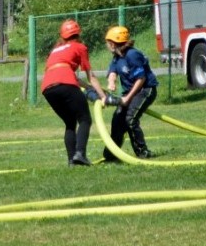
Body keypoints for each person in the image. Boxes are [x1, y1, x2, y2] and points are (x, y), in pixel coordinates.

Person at [40, 20, 108, 166]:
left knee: (70, 122)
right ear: (78, 33)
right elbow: (91, 75)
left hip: (47, 87)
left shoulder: (56, 50)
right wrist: (103, 96)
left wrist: (89, 87)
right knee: (84, 119)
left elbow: (68, 74)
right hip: (66, 84)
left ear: (63, 36)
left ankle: (72, 160)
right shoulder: (79, 47)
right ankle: (80, 154)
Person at [102, 25, 159, 161]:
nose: (107, 45)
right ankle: (112, 155)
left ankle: (142, 152)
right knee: (117, 121)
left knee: (130, 119)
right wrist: (111, 82)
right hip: (130, 92)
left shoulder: (132, 55)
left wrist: (127, 98)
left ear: (113, 43)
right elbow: (113, 71)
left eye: (108, 42)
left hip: (145, 90)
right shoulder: (117, 56)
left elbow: (141, 79)